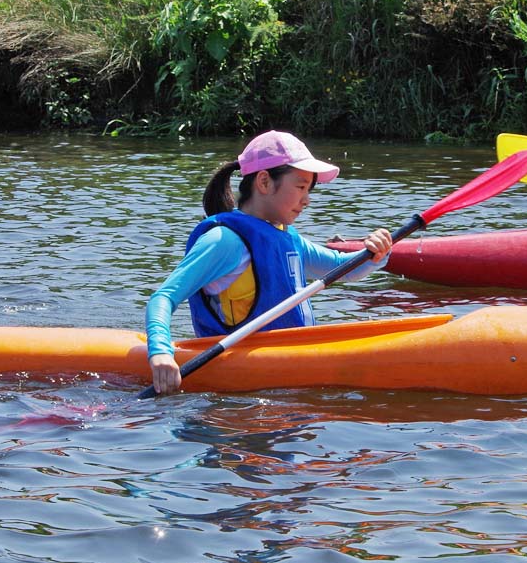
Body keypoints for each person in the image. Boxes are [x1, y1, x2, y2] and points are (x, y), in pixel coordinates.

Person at [146, 130, 393, 394]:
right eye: (300, 187)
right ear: (264, 182)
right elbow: (163, 297)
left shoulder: (288, 239)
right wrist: (160, 353)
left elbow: (342, 268)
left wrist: (377, 252)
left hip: (288, 363)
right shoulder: (225, 241)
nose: (307, 199)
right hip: (236, 372)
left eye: (309, 189)